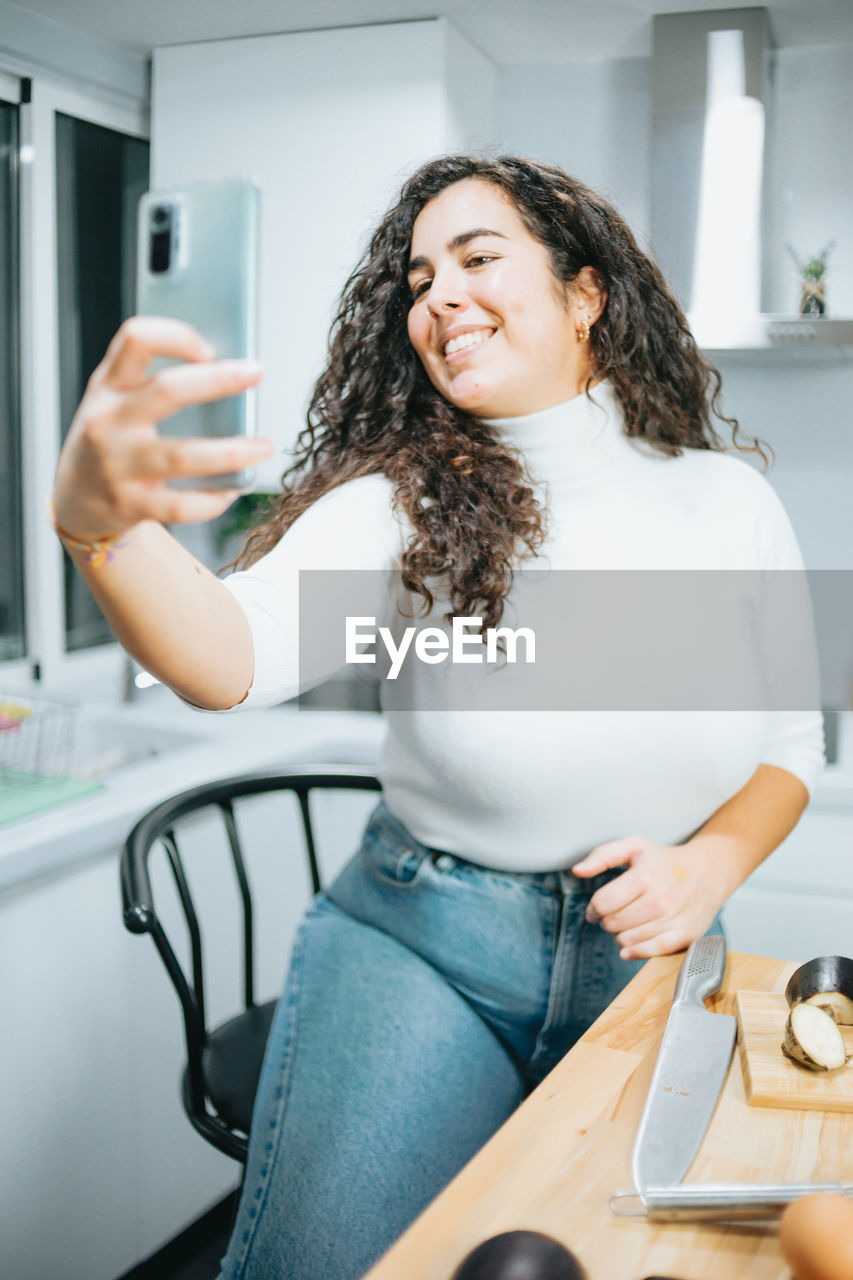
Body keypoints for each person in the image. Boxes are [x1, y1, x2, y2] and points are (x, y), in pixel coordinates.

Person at [53, 155, 823, 1280]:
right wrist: (99, 532)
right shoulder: (400, 501)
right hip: (425, 944)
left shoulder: (727, 501)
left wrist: (710, 861)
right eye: (417, 279)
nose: (436, 298)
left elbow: (788, 748)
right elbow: (230, 656)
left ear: (583, 293)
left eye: (475, 259)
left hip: (647, 958)